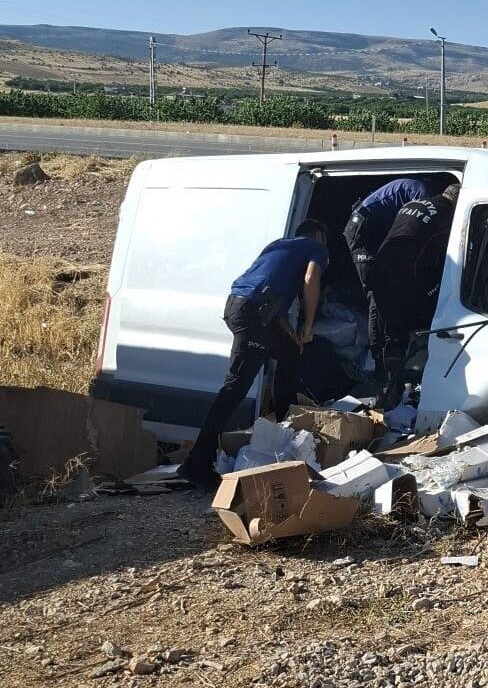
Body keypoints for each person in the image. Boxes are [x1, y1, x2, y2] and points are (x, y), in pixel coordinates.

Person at [179, 219, 329, 490]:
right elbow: (311, 277)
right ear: (318, 236)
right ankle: (197, 463)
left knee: (290, 354)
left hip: (244, 306)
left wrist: (292, 337)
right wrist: (308, 325)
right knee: (235, 388)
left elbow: (276, 305)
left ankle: (288, 430)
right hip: (252, 313)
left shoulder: (277, 246)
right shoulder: (314, 247)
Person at [371, 183, 461, 407]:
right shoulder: (446, 214)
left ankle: (386, 389)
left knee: (391, 332)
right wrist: (430, 289)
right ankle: (401, 392)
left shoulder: (414, 203)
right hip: (402, 274)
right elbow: (436, 255)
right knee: (424, 325)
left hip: (380, 267)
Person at [344, 177, 431, 378]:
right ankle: (378, 357)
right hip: (361, 230)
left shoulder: (413, 188)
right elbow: (417, 226)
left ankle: (385, 350)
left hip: (370, 227)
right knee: (376, 293)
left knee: (385, 285)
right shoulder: (421, 193)